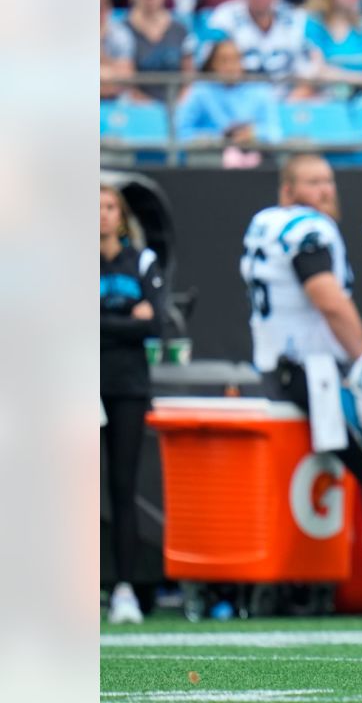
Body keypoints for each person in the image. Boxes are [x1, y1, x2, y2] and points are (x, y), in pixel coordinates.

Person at [238, 155, 362, 614]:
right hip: (312, 371)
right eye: (312, 182)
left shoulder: (264, 223)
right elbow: (328, 300)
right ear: (288, 189)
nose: (325, 191)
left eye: (328, 182)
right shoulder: (308, 229)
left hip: (278, 367)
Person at [101, 183, 167, 625]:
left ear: (121, 216)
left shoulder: (141, 261)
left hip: (126, 385)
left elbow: (157, 323)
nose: (101, 215)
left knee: (123, 487)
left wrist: (102, 321)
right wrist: (128, 318)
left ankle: (124, 587)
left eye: (108, 207)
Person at [176, 39, 284, 147]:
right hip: (211, 158)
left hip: (255, 155)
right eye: (224, 60)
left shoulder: (260, 91)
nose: (230, 66)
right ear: (212, 64)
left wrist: (253, 134)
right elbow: (181, 132)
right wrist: (218, 139)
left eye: (236, 59)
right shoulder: (200, 92)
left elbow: (275, 132)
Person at [207, 0, 314, 86]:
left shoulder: (300, 20)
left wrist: (304, 89)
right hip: (237, 97)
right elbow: (206, 68)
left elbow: (325, 64)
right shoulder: (223, 19)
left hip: (290, 99)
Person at [121, 0, 197, 102]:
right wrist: (154, 111)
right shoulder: (121, 31)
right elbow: (125, 84)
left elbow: (189, 78)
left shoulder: (181, 29)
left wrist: (180, 105)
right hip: (137, 109)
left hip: (177, 106)